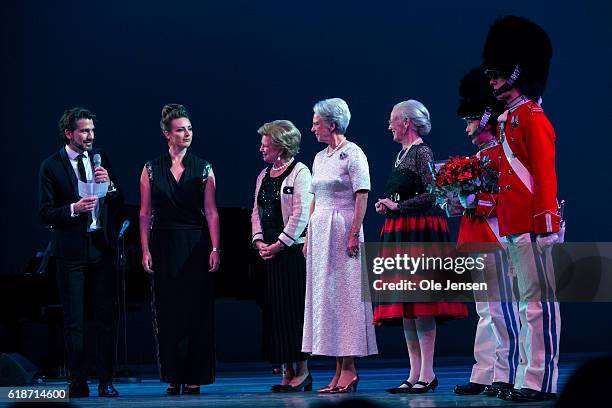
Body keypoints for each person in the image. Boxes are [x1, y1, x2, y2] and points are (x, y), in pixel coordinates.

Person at [482, 15, 561, 402]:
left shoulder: (531, 117)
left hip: (532, 222)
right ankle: (525, 377)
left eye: (498, 74)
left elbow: (544, 174)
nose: (493, 81)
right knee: (523, 304)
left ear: (516, 72)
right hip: (513, 223)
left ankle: (540, 380)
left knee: (538, 304)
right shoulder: (508, 119)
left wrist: (546, 222)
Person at [374, 100, 467, 394]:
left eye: (392, 120)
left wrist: (398, 205)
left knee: (422, 303)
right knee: (406, 306)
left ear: (406, 123)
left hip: (420, 232)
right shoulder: (401, 155)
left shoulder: (421, 151)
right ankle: (413, 372)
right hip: (402, 230)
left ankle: (427, 372)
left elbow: (433, 193)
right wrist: (388, 206)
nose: (389, 126)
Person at [38, 107, 123, 398]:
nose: (90, 136)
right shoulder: (51, 166)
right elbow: (45, 212)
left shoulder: (101, 159)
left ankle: (106, 381)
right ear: (69, 133)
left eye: (92, 131)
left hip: (101, 247)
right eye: (84, 131)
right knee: (74, 320)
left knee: (105, 318)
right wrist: (73, 209)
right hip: (71, 251)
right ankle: (78, 381)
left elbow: (119, 200)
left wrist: (109, 184)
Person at [139, 104, 220, 395]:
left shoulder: (204, 167)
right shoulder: (151, 168)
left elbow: (211, 212)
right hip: (163, 244)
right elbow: (145, 213)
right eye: (180, 130)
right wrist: (145, 249)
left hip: (195, 245)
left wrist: (215, 247)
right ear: (167, 134)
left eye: (189, 129)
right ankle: (173, 376)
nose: (186, 134)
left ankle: (196, 375)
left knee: (196, 312)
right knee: (168, 312)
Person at [451, 67, 521, 398]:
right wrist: (454, 199)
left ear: (484, 118)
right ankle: (485, 370)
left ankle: (505, 372)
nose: (466, 129)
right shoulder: (478, 156)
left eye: (470, 121)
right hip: (477, 234)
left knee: (499, 308)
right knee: (485, 310)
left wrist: (474, 198)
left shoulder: (498, 152)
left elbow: (504, 196)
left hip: (494, 235)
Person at [302, 98, 378, 393]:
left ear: (331, 124)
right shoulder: (320, 157)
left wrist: (353, 233)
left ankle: (349, 369)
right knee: (328, 300)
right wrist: (308, 235)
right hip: (321, 231)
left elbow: (362, 194)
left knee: (345, 298)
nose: (312, 128)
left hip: (343, 227)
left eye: (316, 122)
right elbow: (314, 199)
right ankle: (338, 370)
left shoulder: (353, 153)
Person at [251, 120, 313, 392]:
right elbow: (256, 211)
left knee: (293, 313)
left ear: (280, 145)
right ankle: (286, 370)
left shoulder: (300, 172)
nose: (261, 148)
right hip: (268, 255)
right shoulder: (263, 175)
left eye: (265, 143)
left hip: (291, 254)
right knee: (275, 313)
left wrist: (279, 243)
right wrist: (259, 241)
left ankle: (302, 372)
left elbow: (301, 213)